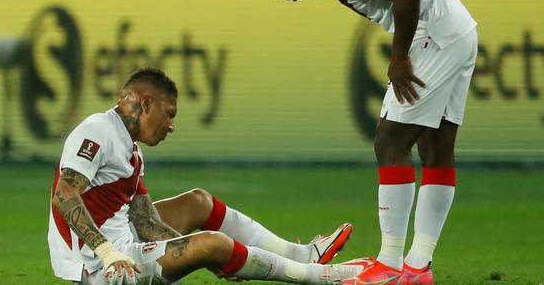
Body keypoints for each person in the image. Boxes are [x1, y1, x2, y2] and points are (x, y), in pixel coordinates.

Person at [248, 0, 478, 284]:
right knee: (436, 146)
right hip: (459, 29)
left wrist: (399, 57)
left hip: (434, 35)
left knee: (390, 141)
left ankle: (389, 263)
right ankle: (417, 267)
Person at [47, 67, 366, 285]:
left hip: (122, 245)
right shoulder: (97, 131)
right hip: (103, 267)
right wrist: (107, 251)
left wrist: (200, 256)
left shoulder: (130, 149)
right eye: (169, 113)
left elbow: (146, 224)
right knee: (213, 242)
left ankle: (303, 255)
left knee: (198, 203)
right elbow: (64, 195)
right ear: (145, 103)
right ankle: (322, 275)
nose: (171, 125)